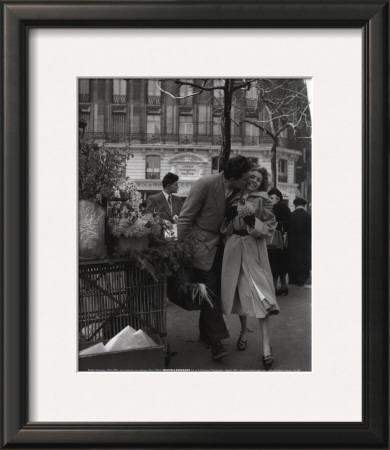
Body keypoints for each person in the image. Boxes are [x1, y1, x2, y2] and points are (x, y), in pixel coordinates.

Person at [177, 155, 253, 360]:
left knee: (216, 290)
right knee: (209, 291)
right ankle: (217, 343)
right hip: (201, 246)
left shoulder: (241, 191)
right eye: (245, 178)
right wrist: (179, 249)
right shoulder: (205, 184)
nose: (249, 181)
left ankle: (205, 333)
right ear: (233, 178)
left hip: (225, 248)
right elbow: (185, 218)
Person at [220, 166, 279, 370]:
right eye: (251, 177)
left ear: (262, 183)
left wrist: (252, 221)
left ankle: (266, 347)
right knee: (240, 294)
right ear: (245, 178)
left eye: (258, 179)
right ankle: (244, 331)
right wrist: (228, 219)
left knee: (262, 298)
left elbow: (271, 226)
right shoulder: (232, 197)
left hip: (254, 252)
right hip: (234, 250)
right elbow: (225, 229)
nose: (254, 180)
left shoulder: (264, 200)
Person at [267, 187, 291, 295]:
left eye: (272, 198)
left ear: (277, 198)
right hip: (284, 241)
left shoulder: (273, 208)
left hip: (273, 242)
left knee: (274, 265)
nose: (271, 199)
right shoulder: (285, 208)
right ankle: (284, 286)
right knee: (283, 265)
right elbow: (289, 222)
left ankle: (274, 287)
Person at [288, 197, 311, 286]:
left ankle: (293, 280)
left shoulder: (290, 215)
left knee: (293, 261)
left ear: (295, 205)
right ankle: (302, 280)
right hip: (306, 244)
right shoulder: (309, 216)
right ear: (304, 205)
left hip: (293, 244)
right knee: (305, 260)